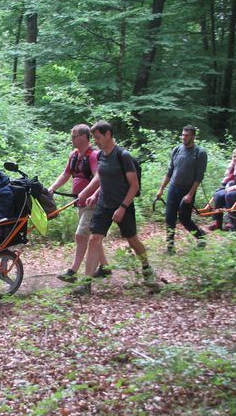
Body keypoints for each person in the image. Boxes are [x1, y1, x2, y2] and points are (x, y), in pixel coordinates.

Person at [75, 120, 158, 296]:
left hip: (123, 205)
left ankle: (147, 268)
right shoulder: (100, 155)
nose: (95, 141)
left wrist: (122, 207)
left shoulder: (123, 156)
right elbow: (101, 177)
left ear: (108, 135)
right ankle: (86, 284)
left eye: (97, 137)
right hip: (104, 204)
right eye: (94, 138)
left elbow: (134, 186)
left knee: (133, 240)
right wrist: (91, 193)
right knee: (94, 239)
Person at [48, 124, 110, 283]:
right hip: (80, 202)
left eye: (75, 135)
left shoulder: (94, 155)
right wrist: (53, 188)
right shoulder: (74, 155)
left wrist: (88, 193)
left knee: (81, 236)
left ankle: (72, 271)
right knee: (91, 235)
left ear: (84, 137)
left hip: (93, 202)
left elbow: (99, 177)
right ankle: (105, 267)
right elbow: (66, 174)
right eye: (72, 135)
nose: (72, 139)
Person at [155, 125, 208, 253]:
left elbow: (199, 176)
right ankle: (170, 247)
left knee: (184, 219)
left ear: (193, 137)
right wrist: (161, 189)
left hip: (187, 190)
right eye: (182, 135)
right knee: (169, 217)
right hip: (174, 188)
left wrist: (190, 194)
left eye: (186, 135)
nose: (183, 137)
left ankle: (201, 238)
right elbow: (170, 171)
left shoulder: (199, 153)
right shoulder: (177, 150)